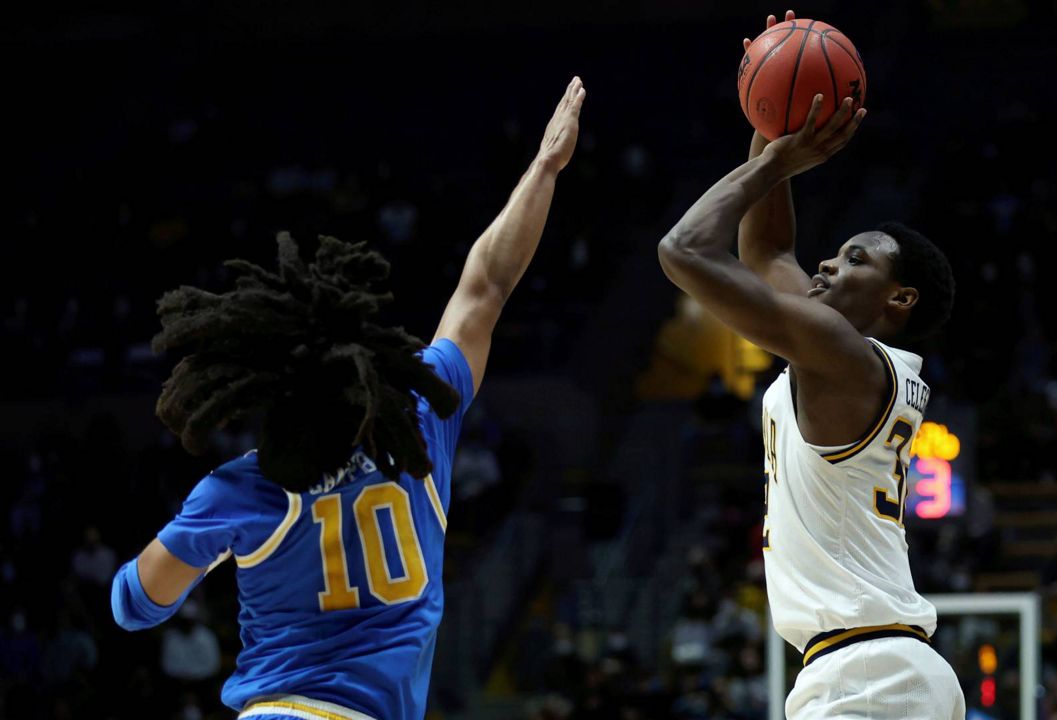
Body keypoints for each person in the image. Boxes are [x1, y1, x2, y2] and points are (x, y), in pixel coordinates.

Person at [109, 77, 586, 720]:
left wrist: (198, 537)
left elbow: (133, 605)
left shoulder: (241, 489)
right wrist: (544, 168)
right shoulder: (421, 418)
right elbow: (487, 286)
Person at [657, 12, 959, 718]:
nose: (829, 261)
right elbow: (769, 254)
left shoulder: (844, 357)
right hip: (875, 667)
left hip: (868, 673)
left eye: (856, 258)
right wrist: (773, 116)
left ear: (900, 297)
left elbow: (684, 251)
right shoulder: (854, 356)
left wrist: (771, 165)